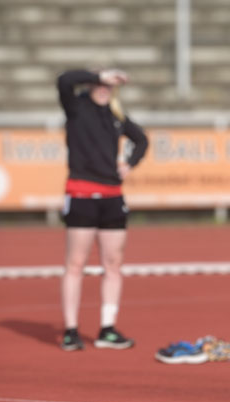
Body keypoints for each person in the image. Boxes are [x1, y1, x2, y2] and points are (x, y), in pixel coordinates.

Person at [56, 68, 149, 351]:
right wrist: (98, 74)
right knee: (76, 264)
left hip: (112, 196)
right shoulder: (77, 107)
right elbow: (65, 80)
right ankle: (71, 329)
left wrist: (129, 164)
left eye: (109, 87)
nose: (104, 90)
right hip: (82, 193)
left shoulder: (116, 115)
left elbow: (142, 140)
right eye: (100, 85)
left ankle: (107, 328)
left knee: (113, 264)